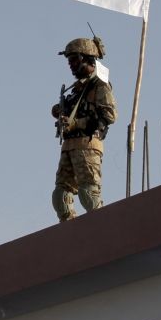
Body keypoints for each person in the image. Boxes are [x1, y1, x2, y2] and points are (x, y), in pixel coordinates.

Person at [51, 36, 117, 222]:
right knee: (60, 197)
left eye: (74, 59)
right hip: (69, 146)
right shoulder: (75, 90)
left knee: (88, 195)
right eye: (69, 60)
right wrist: (60, 111)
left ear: (87, 58)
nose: (70, 64)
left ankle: (101, 229)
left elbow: (109, 116)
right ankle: (72, 234)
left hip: (87, 146)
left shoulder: (99, 85)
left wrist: (76, 124)